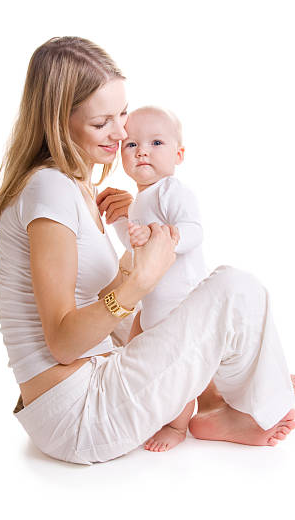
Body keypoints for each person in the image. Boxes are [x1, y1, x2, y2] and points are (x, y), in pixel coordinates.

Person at [0, 36, 295, 465]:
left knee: (211, 298)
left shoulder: (75, 187)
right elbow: (62, 343)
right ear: (60, 121)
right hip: (81, 415)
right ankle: (244, 402)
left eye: (122, 114)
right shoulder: (50, 190)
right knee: (235, 288)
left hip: (88, 392)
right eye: (102, 123)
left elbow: (100, 306)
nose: (121, 133)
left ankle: (232, 397)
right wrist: (140, 281)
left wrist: (132, 246)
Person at [111, 105, 207, 451]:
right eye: (131, 145)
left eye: (155, 142)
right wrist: (124, 226)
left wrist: (172, 236)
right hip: (152, 304)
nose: (143, 152)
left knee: (178, 365)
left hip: (179, 303)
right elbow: (138, 248)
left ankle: (179, 425)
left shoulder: (171, 191)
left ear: (179, 154)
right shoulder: (140, 199)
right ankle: (145, 407)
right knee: (136, 352)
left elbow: (195, 230)